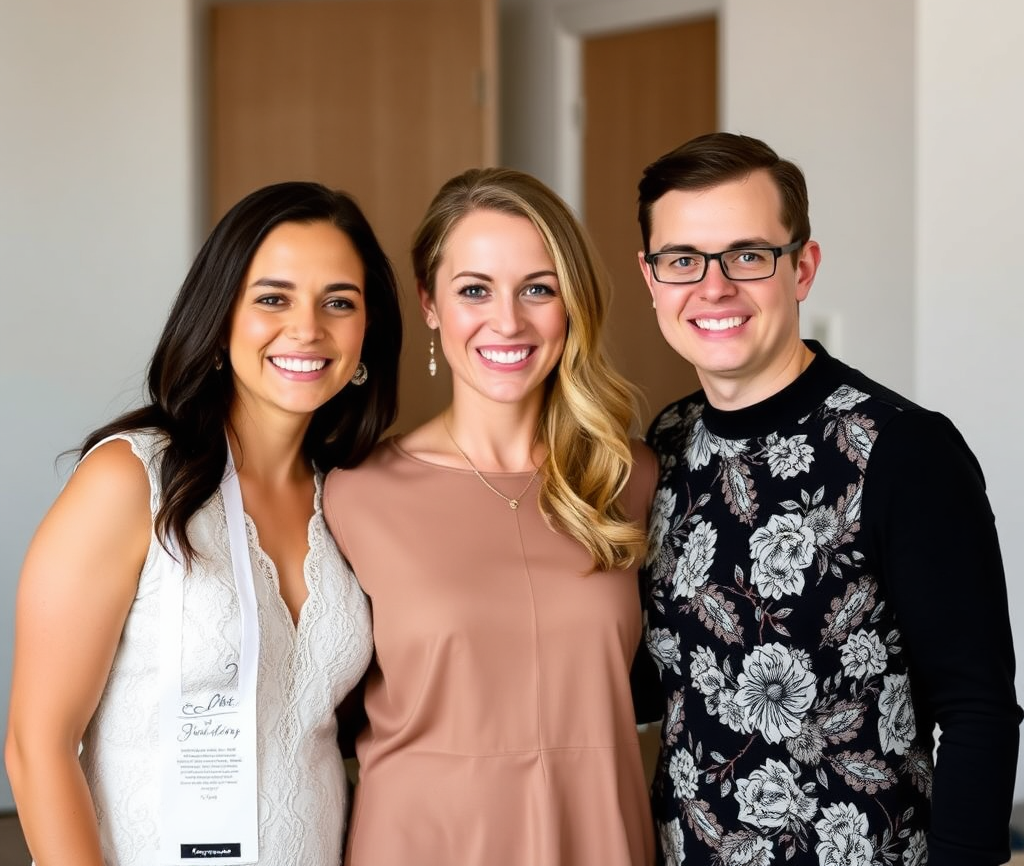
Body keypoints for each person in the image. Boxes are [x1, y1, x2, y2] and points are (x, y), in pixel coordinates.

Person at [632, 131, 1022, 866]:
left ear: (802, 267)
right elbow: (666, 685)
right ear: (651, 278)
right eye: (682, 260)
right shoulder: (671, 438)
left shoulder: (902, 450)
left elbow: (979, 711)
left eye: (748, 255)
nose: (712, 288)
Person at [6, 181, 402, 865]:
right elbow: (36, 744)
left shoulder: (352, 497)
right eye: (273, 298)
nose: (307, 328)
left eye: (339, 302)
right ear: (220, 317)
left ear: (368, 333)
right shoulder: (131, 480)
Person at [323, 167, 659, 865]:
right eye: (474, 289)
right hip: (421, 841)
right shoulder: (355, 494)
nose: (507, 321)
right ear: (430, 304)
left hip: (598, 836)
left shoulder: (631, 479)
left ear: (572, 304)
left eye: (538, 288)